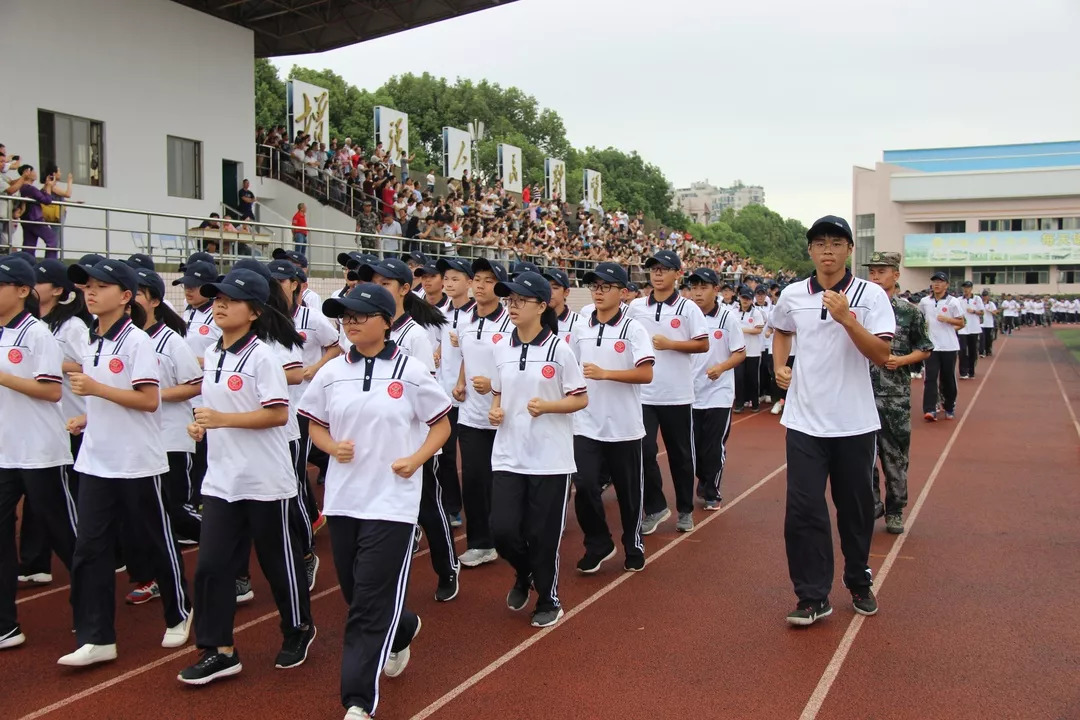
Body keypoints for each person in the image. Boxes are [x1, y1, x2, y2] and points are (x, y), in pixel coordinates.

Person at [299, 283, 452, 720]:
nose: (350, 321)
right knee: (352, 589)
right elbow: (315, 425)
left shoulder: (411, 370)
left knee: (366, 603)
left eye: (360, 314)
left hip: (393, 503)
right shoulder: (332, 373)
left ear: (387, 321)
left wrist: (416, 460)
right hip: (345, 499)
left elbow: (440, 425)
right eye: (344, 315)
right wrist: (331, 447)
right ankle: (402, 627)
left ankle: (357, 701)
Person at [177, 268, 316, 685]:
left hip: (264, 480)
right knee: (211, 567)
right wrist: (203, 424)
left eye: (230, 299)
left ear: (254, 311)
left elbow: (277, 413)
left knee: (278, 563)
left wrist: (223, 418)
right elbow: (216, 408)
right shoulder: (215, 353)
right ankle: (219, 649)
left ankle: (298, 628)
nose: (218, 304)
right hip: (222, 480)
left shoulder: (263, 357)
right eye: (216, 297)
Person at [60, 259, 193, 666]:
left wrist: (97, 389)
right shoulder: (91, 339)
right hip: (96, 461)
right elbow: (111, 399)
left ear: (126, 296)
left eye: (101, 286)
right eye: (87, 286)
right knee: (90, 550)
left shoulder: (137, 342)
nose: (91, 292)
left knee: (155, 539)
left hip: (137, 462)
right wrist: (90, 413)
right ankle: (97, 636)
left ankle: (179, 612)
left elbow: (149, 400)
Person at [769, 216, 894, 626]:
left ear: (848, 250)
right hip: (804, 421)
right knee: (803, 509)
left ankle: (858, 579)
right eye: (820, 242)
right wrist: (779, 365)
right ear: (810, 250)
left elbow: (880, 354)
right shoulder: (792, 294)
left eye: (836, 242)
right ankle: (812, 595)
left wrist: (847, 318)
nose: (827, 249)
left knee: (855, 509)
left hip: (854, 423)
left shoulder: (871, 295)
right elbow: (781, 330)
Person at [487, 271, 588, 627]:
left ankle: (548, 598)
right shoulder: (500, 346)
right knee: (501, 529)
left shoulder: (560, 349)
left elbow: (580, 399)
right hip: (508, 454)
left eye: (520, 300)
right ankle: (525, 571)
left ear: (542, 306)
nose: (512, 306)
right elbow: (499, 390)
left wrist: (548, 406)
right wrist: (495, 409)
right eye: (509, 300)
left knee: (541, 534)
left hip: (550, 458)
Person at [356, 258, 458, 601]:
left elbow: (425, 392)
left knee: (428, 507)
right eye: (372, 282)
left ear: (403, 289)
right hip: (374, 440)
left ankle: (447, 567)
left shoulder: (414, 334)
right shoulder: (361, 329)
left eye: (385, 284)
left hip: (414, 441)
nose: (376, 289)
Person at [0, 256, 75, 650]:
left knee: (66, 536)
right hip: (5, 451)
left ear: (22, 291)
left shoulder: (37, 334)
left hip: (40, 451)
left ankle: (90, 607)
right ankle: (5, 623)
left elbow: (51, 391)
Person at [569, 262, 653, 573]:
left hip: (624, 427)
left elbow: (646, 373)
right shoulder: (580, 326)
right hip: (586, 423)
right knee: (586, 485)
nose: (599, 292)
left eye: (606, 287)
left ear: (623, 292)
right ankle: (599, 542)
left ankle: (633, 542)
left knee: (629, 493)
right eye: (595, 286)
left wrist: (607, 374)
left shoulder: (633, 329)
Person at [17, 260, 91, 585]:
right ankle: (35, 561)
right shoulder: (29, 325)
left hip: (73, 417)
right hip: (45, 422)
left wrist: (50, 363)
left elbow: (89, 366)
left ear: (58, 290)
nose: (34, 287)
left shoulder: (70, 326)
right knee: (37, 499)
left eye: (40, 281)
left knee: (62, 499)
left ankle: (91, 563)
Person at [627, 250, 709, 534]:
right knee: (644, 450)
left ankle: (685, 509)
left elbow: (702, 344)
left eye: (664, 269)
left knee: (681, 456)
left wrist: (671, 344)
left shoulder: (688, 309)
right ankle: (656, 506)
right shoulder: (636, 307)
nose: (658, 274)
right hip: (645, 394)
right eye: (653, 269)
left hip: (676, 395)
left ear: (677, 274)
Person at [863, 252, 932, 535]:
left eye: (881, 271)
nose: (876, 276)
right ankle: (871, 505)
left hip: (894, 396)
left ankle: (894, 510)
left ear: (896, 275)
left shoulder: (909, 312)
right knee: (862, 457)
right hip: (861, 394)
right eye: (872, 272)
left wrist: (901, 360)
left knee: (895, 457)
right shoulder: (860, 309)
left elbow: (925, 348)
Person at [453, 258, 513, 568]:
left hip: (503, 416)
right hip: (471, 416)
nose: (479, 285)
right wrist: (461, 382)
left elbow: (518, 366)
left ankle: (511, 534)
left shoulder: (510, 324)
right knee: (474, 480)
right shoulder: (464, 319)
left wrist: (494, 384)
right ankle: (481, 543)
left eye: (488, 280)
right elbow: (466, 356)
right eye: (477, 278)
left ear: (500, 289)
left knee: (503, 481)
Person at [687, 267, 745, 510]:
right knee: (694, 447)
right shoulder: (686, 316)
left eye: (704, 287)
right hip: (690, 393)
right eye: (694, 288)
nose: (698, 293)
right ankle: (704, 477)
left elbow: (740, 353)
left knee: (713, 446)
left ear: (716, 290)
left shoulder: (727, 318)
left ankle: (712, 491)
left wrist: (721, 367)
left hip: (718, 393)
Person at [432, 258, 476, 527]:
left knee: (473, 460)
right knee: (446, 455)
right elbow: (438, 343)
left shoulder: (477, 313)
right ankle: (452, 506)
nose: (448, 283)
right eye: (446, 278)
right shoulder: (441, 312)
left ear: (469, 283)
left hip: (471, 396)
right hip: (444, 394)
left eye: (455, 279)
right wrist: (438, 352)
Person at [917, 272, 964, 421]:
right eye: (934, 281)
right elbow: (920, 319)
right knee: (930, 377)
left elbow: (961, 323)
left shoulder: (953, 302)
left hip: (949, 346)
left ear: (946, 285)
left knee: (947, 378)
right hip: (931, 346)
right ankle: (930, 409)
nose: (936, 284)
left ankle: (949, 405)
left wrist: (947, 319)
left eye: (940, 281)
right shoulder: (925, 301)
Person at [733, 288, 766, 413]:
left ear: (751, 300)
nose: (745, 301)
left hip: (753, 351)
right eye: (743, 298)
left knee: (752, 378)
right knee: (739, 377)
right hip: (738, 350)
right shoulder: (734, 312)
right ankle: (739, 403)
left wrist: (743, 330)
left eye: (747, 298)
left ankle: (755, 403)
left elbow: (758, 330)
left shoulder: (756, 313)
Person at [16, 166, 59, 259]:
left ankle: (27, 265)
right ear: (27, 172)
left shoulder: (24, 188)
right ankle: (49, 264)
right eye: (33, 171)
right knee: (52, 239)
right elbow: (47, 200)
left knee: (29, 246)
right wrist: (49, 186)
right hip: (35, 219)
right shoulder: (29, 188)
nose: (35, 173)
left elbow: (39, 195)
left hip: (26, 219)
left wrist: (47, 185)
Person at [543, 268, 581, 344]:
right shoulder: (535, 319)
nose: (549, 292)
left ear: (566, 292)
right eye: (546, 287)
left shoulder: (579, 322)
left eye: (555, 288)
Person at [956, 280, 983, 379]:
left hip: (974, 328)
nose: (966, 289)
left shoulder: (977, 298)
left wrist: (974, 311)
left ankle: (971, 370)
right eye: (964, 287)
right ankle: (963, 372)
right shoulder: (958, 299)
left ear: (971, 288)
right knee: (962, 350)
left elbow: (982, 312)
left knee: (972, 350)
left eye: (967, 287)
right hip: (962, 328)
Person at [979, 289, 996, 357]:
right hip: (981, 324)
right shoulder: (979, 303)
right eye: (983, 296)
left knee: (988, 338)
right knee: (982, 338)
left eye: (986, 295)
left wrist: (990, 311)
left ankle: (988, 349)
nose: (984, 297)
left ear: (988, 296)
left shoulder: (991, 304)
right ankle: (982, 351)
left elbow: (995, 312)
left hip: (989, 324)